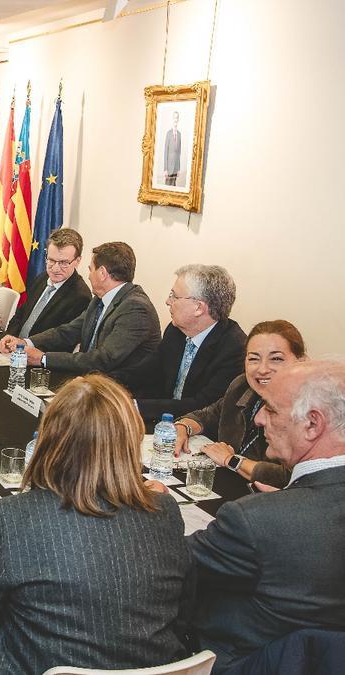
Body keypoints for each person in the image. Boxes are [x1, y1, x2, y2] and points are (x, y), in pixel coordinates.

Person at [0, 374, 191, 674]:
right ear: (131, 441)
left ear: (49, 437)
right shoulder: (165, 511)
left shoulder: (10, 520)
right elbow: (179, 618)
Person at [187, 361, 345, 672]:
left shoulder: (255, 520)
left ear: (312, 424)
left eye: (271, 410)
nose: (259, 419)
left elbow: (171, 562)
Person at [0, 242, 161, 395]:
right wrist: (26, 343)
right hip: (88, 381)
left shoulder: (135, 308)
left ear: (102, 273)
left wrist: (42, 358)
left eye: (91, 269)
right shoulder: (100, 299)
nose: (88, 276)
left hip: (118, 393)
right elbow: (68, 331)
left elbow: (103, 359)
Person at [175, 320, 307, 488]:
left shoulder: (308, 409)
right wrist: (184, 427)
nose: (262, 369)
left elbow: (293, 477)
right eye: (254, 359)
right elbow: (209, 415)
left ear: (301, 361)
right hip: (228, 484)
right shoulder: (242, 386)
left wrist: (232, 460)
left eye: (276, 359)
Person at [136, 265, 246, 423]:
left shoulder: (235, 348)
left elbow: (201, 406)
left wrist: (135, 407)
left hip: (198, 430)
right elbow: (145, 371)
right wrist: (105, 382)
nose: (168, 301)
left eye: (174, 296)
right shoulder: (176, 331)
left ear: (199, 308)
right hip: (164, 423)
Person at [3, 227, 91, 338]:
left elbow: (63, 339)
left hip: (37, 348)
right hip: (15, 345)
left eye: (63, 263)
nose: (55, 268)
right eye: (51, 260)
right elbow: (21, 314)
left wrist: (26, 345)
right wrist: (10, 337)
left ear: (77, 261)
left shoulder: (81, 296)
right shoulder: (42, 278)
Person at [163, 112, 181, 187]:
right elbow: (165, 152)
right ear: (172, 119)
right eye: (174, 118)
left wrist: (178, 169)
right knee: (167, 188)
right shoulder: (168, 133)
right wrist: (165, 169)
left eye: (177, 118)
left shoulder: (179, 134)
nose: (175, 120)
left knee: (174, 187)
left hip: (175, 168)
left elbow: (179, 153)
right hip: (169, 168)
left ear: (178, 120)